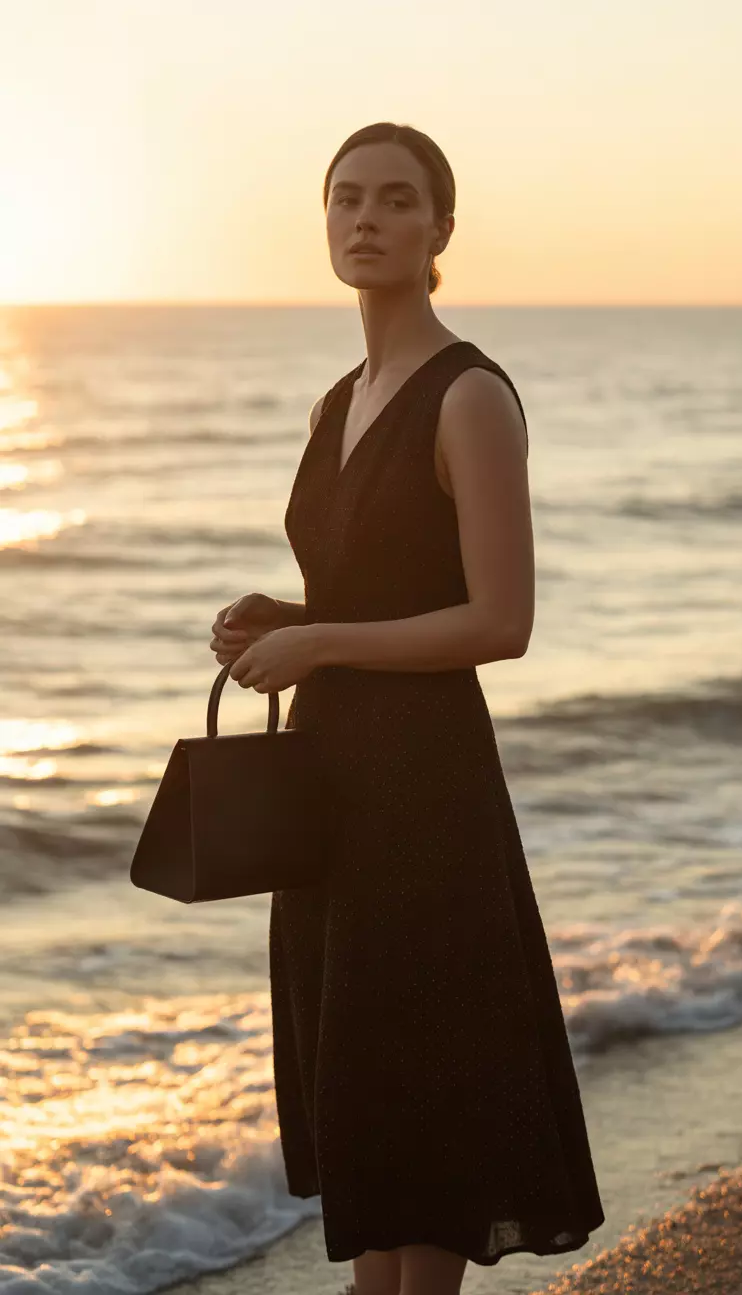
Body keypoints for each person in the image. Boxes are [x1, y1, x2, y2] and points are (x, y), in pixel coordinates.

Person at [210, 122, 605, 1295]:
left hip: (427, 795)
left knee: (427, 1106)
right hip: (333, 788)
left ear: (441, 231)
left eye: (397, 200)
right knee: (371, 1099)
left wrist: (323, 638)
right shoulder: (343, 399)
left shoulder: (470, 394)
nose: (367, 219)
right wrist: (285, 616)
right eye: (346, 199)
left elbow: (500, 622)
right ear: (323, 222)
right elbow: (376, 587)